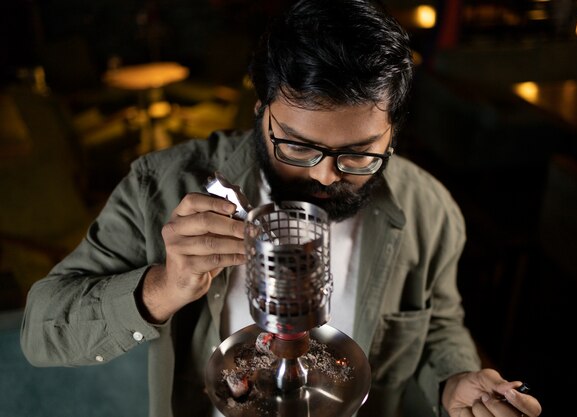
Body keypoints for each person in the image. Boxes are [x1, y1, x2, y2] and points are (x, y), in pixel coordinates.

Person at [21, 1, 542, 416]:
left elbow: (441, 323)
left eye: (359, 154)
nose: (323, 174)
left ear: (393, 134)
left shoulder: (431, 211)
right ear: (260, 113)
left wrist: (453, 380)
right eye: (296, 146)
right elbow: (41, 334)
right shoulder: (160, 186)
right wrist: (163, 286)